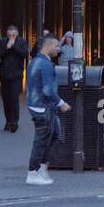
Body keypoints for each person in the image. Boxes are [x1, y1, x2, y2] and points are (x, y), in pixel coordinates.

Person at [25, 34, 71, 185]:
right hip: (42, 107)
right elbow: (47, 89)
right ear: (48, 46)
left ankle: (40, 168)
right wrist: (61, 103)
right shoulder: (45, 65)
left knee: (53, 135)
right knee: (42, 138)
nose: (59, 49)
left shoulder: (35, 62)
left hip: (40, 105)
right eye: (57, 46)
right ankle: (33, 172)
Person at [0, 25, 29, 133]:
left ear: (17, 34)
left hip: (16, 75)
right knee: (6, 99)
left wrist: (13, 46)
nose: (11, 37)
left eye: (13, 35)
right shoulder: (2, 42)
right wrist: (7, 47)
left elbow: (24, 54)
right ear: (6, 34)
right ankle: (8, 121)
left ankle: (14, 122)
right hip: (5, 74)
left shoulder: (22, 42)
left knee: (14, 98)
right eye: (9, 35)